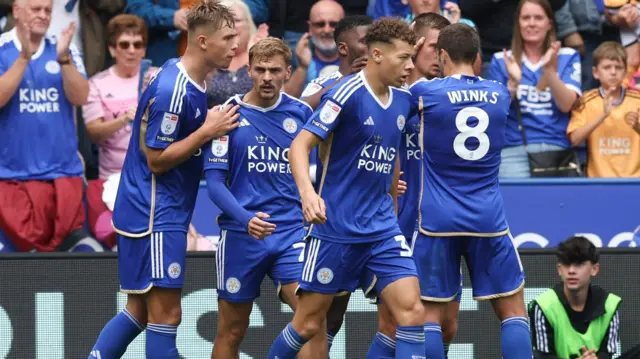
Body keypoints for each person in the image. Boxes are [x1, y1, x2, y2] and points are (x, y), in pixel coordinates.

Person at [87, 1, 240, 358]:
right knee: (167, 315)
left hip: (155, 209)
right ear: (202, 41)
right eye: (228, 37)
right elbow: (156, 160)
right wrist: (206, 131)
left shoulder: (183, 73)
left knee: (139, 312)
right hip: (155, 212)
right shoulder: (173, 88)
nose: (236, 45)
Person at [268, 18, 425, 359]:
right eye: (404, 58)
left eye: (413, 57)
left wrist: (391, 206)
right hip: (335, 229)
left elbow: (392, 150)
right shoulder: (346, 94)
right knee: (308, 324)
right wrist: (308, 195)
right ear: (377, 55)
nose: (411, 66)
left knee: (412, 312)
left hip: (381, 229)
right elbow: (299, 146)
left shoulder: (402, 100)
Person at [411, 23, 532, 359]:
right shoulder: (499, 93)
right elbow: (507, 93)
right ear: (478, 56)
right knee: (512, 311)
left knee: (431, 315)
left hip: (437, 219)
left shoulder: (425, 94)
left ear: (442, 54)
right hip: (487, 218)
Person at [203, 37, 327, 358]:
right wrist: (246, 219)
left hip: (290, 233)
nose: (267, 77)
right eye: (260, 70)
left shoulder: (300, 113)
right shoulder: (227, 114)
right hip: (241, 236)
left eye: (274, 70)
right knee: (231, 330)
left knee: (311, 321)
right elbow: (215, 185)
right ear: (249, 70)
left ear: (288, 72)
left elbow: (316, 171)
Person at [299, 14, 374, 355]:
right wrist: (347, 83)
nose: (374, 48)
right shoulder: (325, 82)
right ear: (345, 48)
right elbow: (301, 111)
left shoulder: (383, 82)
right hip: (333, 210)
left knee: (398, 308)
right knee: (322, 315)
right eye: (366, 41)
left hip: (376, 212)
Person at [0, 0, 96, 253]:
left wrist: (64, 60)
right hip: (12, 176)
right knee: (16, 272)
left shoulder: (65, 48)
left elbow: (80, 97)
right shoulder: (2, 47)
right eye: (36, 9)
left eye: (47, 10)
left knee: (70, 266)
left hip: (62, 175)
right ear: (17, 11)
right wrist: (23, 59)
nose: (43, 15)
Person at [487, 0, 581, 178]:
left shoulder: (568, 56)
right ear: (518, 23)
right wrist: (513, 84)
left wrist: (550, 71)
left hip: (557, 149)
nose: (531, 23)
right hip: (513, 150)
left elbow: (566, 105)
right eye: (526, 18)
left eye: (538, 18)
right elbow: (494, 113)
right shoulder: (501, 60)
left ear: (549, 23)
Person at [528, 236, 621, 359]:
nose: (571, 271)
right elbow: (544, 356)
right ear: (559, 270)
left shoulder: (610, 304)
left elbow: (607, 353)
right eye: (566, 264)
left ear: (594, 269)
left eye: (579, 264)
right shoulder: (543, 305)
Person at [567, 41, 640, 178]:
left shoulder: (637, 100)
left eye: (618, 68)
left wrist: (637, 127)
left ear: (625, 72)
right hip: (599, 181)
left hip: (635, 181)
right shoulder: (586, 101)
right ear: (595, 72)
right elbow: (574, 140)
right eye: (607, 67)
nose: (613, 72)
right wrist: (602, 116)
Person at [206, 0, 269, 107]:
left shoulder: (262, 57)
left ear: (249, 24)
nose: (232, 25)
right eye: (226, 21)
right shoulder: (207, 59)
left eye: (237, 20)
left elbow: (278, 97)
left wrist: (259, 56)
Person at [283, 0, 345, 97]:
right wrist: (302, 67)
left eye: (333, 24)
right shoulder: (292, 57)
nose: (327, 30)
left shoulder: (358, 57)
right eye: (320, 24)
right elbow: (286, 101)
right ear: (310, 28)